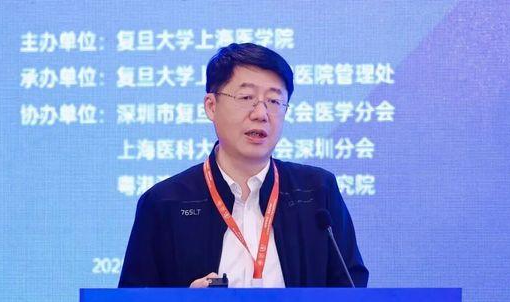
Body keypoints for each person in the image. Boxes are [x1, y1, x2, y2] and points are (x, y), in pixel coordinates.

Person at [118, 43, 368, 288]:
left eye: (274, 101)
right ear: (211, 106)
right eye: (246, 97)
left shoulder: (317, 192)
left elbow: (352, 292)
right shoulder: (164, 202)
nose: (261, 114)